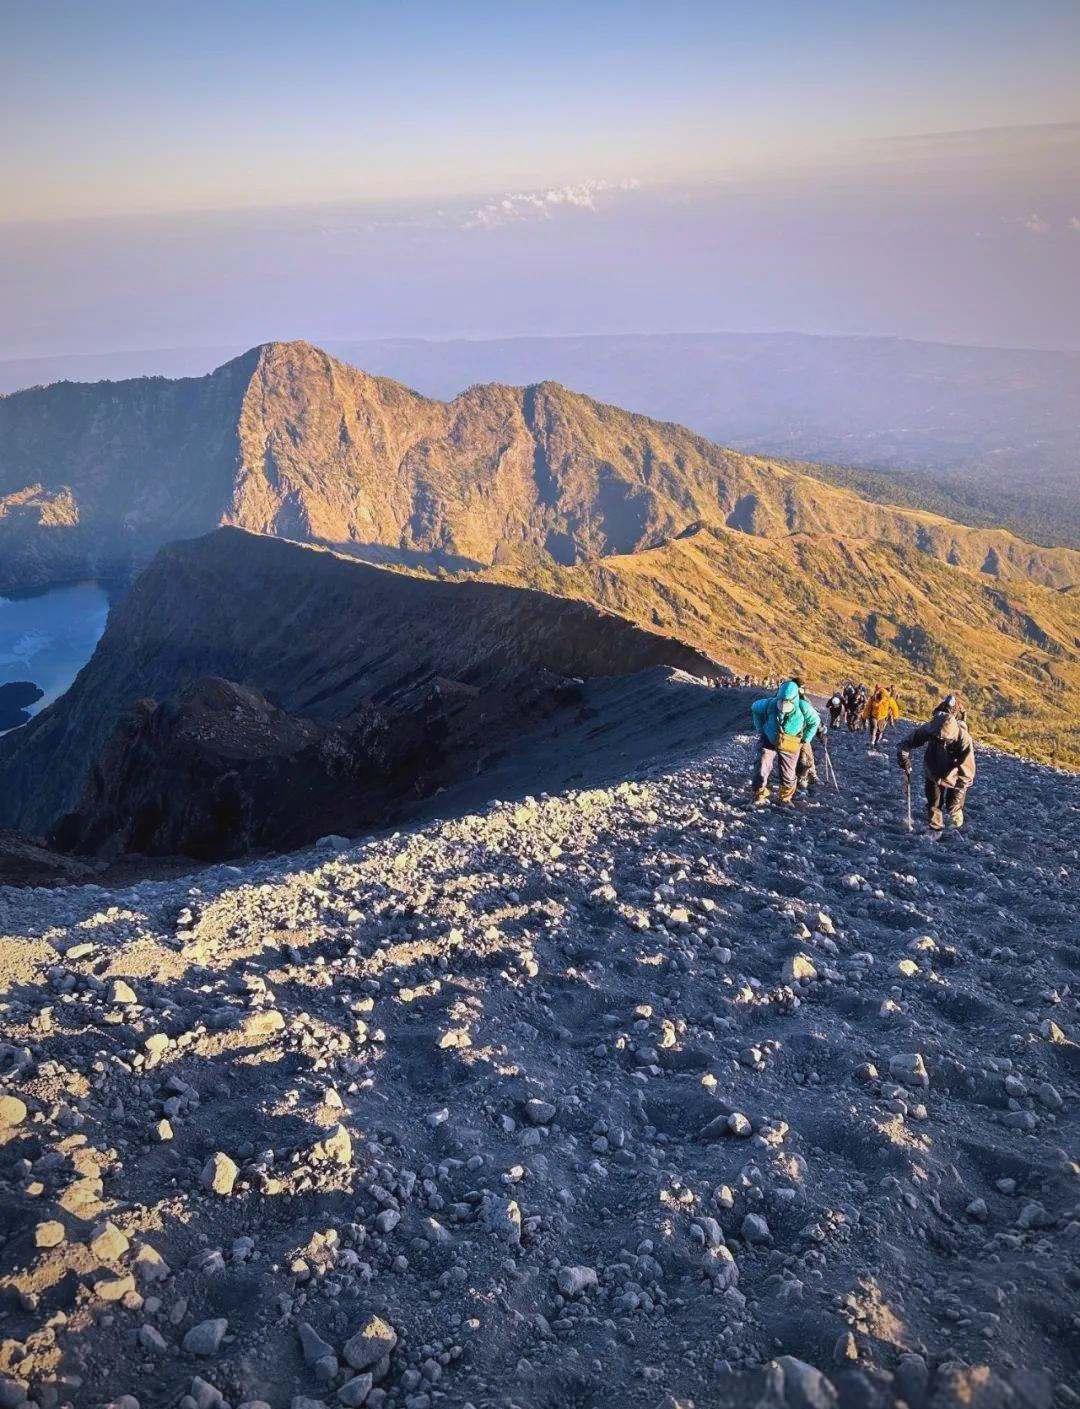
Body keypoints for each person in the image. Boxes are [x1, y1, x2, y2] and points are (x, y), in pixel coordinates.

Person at [896, 695, 975, 832]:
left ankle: (953, 827)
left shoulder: (961, 737)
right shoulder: (932, 728)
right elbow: (907, 743)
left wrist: (960, 790)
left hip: (950, 776)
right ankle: (939, 829)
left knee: (949, 805)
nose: (940, 738)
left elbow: (967, 770)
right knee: (937, 804)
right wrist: (903, 756)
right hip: (936, 772)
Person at [750, 680, 821, 804]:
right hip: (769, 738)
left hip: (791, 742)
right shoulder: (770, 704)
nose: (783, 705)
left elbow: (815, 721)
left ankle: (785, 798)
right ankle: (759, 793)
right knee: (761, 765)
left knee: (788, 773)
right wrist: (760, 728)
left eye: (787, 702)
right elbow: (755, 708)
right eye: (781, 701)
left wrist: (805, 738)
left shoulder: (803, 707)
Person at [862, 684, 899, 749]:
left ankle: (877, 741)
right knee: (874, 728)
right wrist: (864, 716)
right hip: (873, 715)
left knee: (880, 730)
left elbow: (894, 707)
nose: (877, 702)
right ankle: (872, 742)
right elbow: (867, 708)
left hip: (883, 716)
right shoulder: (873, 698)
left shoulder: (888, 699)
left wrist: (895, 716)